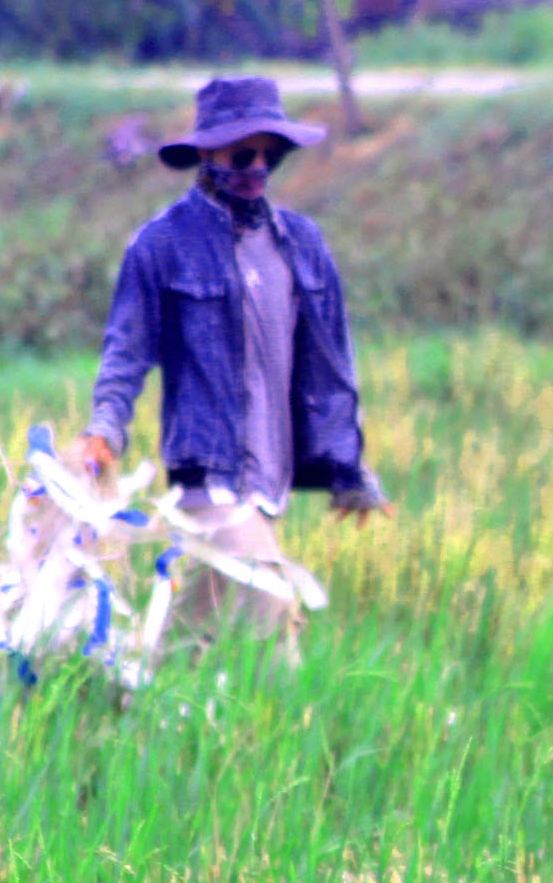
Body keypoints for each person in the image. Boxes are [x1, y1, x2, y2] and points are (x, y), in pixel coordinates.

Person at [74, 76, 388, 633]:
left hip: (270, 481)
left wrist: (348, 472)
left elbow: (331, 370)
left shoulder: (304, 245)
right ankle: (288, 719)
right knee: (273, 606)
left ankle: (128, 707)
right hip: (206, 479)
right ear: (207, 154)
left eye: (272, 156)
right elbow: (126, 353)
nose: (258, 169)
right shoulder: (161, 245)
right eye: (245, 153)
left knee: (198, 641)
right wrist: (105, 429)